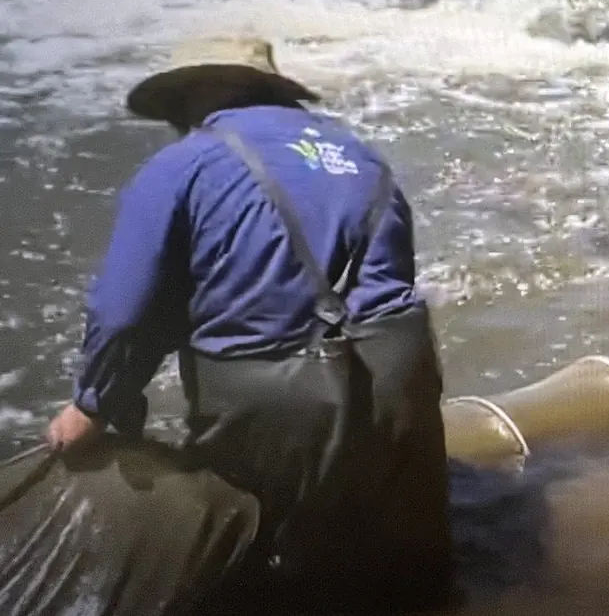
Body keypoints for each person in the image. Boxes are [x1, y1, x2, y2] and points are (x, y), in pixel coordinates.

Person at [45, 36, 454, 612]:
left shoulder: (182, 165)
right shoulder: (358, 154)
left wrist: (93, 405)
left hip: (279, 404)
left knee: (265, 581)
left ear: (197, 93)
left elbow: (126, 310)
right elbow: (385, 281)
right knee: (405, 580)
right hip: (401, 378)